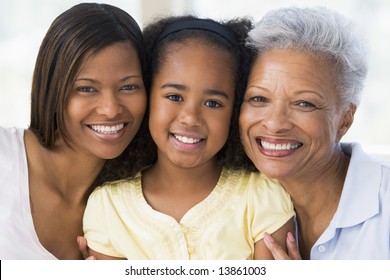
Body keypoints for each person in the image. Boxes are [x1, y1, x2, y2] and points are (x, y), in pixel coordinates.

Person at [82, 15, 295, 260]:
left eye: (213, 103)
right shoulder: (108, 208)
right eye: (174, 97)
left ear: (235, 110)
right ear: (148, 96)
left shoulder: (262, 197)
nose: (191, 118)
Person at [239, 6, 390, 260]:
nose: (275, 123)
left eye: (304, 103)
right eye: (259, 98)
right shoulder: (226, 201)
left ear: (345, 119)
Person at [0, 3, 147, 259]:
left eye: (128, 87)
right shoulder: (5, 158)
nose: (111, 109)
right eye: (86, 89)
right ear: (53, 88)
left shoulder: (142, 204)